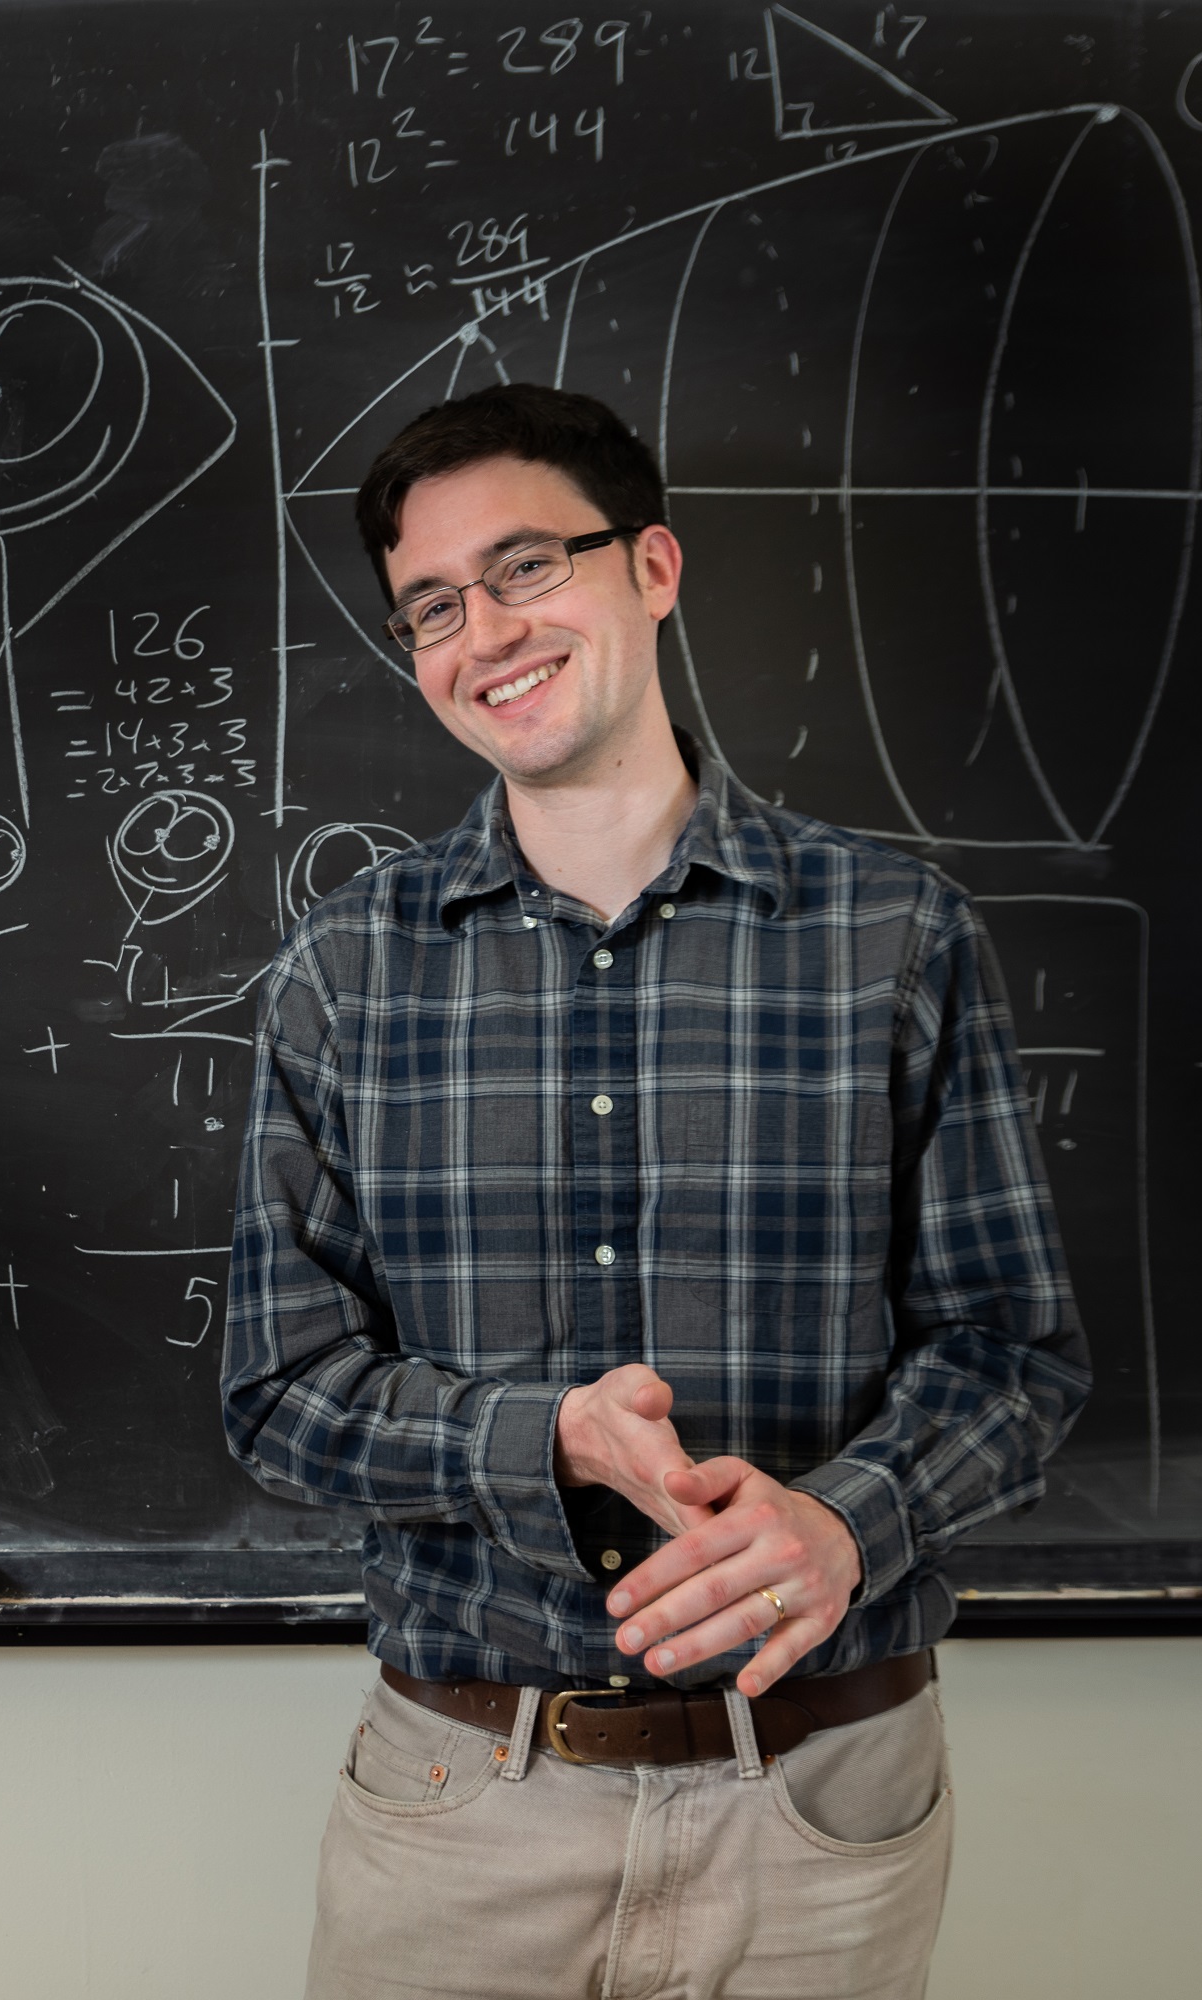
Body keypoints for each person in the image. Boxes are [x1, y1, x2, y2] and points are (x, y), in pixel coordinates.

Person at [221, 383, 1090, 2000]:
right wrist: (540, 1438)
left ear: (655, 569)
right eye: (431, 605)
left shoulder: (893, 933)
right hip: (466, 1806)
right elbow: (277, 1396)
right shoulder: (347, 971)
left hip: (821, 1804)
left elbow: (1013, 1356)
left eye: (528, 565)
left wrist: (847, 1522)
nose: (485, 630)